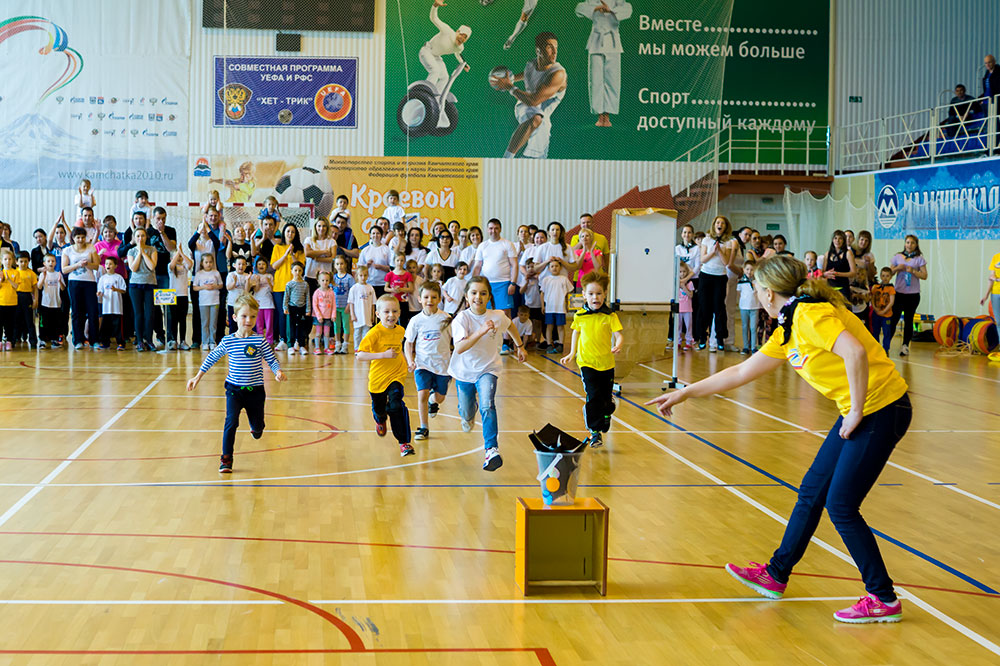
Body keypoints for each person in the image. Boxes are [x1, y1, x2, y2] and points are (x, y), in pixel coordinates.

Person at [648, 254, 912, 625]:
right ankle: (776, 574)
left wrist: (853, 410)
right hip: (864, 410)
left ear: (768, 292)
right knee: (812, 491)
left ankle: (882, 597)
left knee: (841, 505)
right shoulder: (788, 325)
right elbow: (741, 370)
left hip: (881, 409)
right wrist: (685, 393)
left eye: (756, 288)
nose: (754, 293)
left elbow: (853, 352)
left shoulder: (809, 315)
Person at [187, 293, 287, 474]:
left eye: (253, 316)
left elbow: (271, 360)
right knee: (231, 422)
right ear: (234, 317)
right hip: (233, 390)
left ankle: (256, 428)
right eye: (244, 316)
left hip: (256, 391)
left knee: (258, 428)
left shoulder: (259, 340)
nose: (248, 320)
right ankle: (226, 459)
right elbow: (212, 358)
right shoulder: (228, 341)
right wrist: (197, 377)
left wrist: (277, 371)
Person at [448, 277, 527, 471]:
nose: (478, 297)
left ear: (489, 297)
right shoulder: (462, 319)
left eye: (483, 293)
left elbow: (510, 326)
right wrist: (481, 331)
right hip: (464, 371)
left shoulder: (498, 315)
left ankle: (491, 449)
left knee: (488, 405)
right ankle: (468, 412)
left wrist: (520, 346)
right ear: (467, 297)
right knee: (467, 411)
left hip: (488, 369)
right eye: (474, 293)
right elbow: (459, 348)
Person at [560, 272, 623, 447]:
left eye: (599, 293)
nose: (595, 297)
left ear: (604, 294)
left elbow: (619, 335)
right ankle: (595, 433)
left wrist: (618, 344)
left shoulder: (610, 316)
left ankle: (607, 413)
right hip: (586, 362)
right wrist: (572, 353)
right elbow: (576, 333)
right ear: (584, 295)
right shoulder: (580, 316)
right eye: (591, 294)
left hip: (606, 363)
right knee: (593, 396)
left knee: (604, 399)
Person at [357, 295, 415, 457]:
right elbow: (360, 355)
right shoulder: (374, 333)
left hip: (397, 375)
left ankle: (404, 442)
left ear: (399, 313)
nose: (391, 315)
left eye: (395, 311)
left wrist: (409, 361)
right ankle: (380, 419)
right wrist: (383, 355)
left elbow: (400, 350)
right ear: (378, 314)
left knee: (396, 405)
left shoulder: (401, 330)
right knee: (380, 409)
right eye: (387, 311)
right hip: (377, 380)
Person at [494, 32, 567, 159]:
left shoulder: (558, 74)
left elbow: (534, 100)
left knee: (536, 158)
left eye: (556, 47)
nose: (555, 52)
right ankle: (505, 160)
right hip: (525, 106)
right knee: (536, 118)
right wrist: (508, 79)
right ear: (538, 50)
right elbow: (528, 74)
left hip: (537, 109)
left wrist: (509, 86)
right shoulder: (531, 64)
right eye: (550, 47)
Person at [405, 281, 453, 441]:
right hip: (422, 364)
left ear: (439, 299)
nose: (429, 300)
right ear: (419, 299)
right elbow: (408, 342)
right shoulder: (416, 320)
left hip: (443, 365)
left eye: (433, 297)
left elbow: (457, 340)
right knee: (422, 394)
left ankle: (434, 401)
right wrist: (410, 360)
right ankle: (424, 427)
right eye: (426, 297)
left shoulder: (446, 319)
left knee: (440, 397)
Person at [575, 0, 632, 127]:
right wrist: (595, 8)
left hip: (613, 43)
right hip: (596, 41)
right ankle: (600, 116)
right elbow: (578, 8)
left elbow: (629, 10)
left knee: (612, 80)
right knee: (596, 80)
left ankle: (608, 116)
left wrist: (611, 9)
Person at [697, 216, 736, 352]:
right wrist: (712, 252)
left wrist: (719, 251)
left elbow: (727, 263)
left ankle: (720, 338)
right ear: (714, 225)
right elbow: (703, 259)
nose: (720, 225)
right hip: (705, 276)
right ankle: (702, 337)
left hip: (720, 277)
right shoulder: (706, 240)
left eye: (723, 223)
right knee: (704, 307)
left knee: (719, 308)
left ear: (725, 226)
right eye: (718, 222)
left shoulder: (729, 242)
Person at [419, 0, 471, 95]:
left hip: (436, 57)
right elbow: (433, 18)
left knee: (444, 77)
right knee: (435, 71)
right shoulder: (447, 31)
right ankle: (425, 94)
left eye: (465, 38)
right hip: (427, 51)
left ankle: (435, 98)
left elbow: (458, 55)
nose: (462, 39)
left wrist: (464, 64)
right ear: (458, 31)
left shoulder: (460, 47)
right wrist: (435, 6)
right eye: (462, 35)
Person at [888, 234, 927, 357]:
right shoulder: (898, 257)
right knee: (894, 319)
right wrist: (897, 268)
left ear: (916, 245)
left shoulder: (919, 259)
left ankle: (905, 346)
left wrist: (914, 271)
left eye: (912, 243)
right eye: (908, 242)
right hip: (899, 293)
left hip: (913, 295)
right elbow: (888, 274)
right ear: (905, 244)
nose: (910, 245)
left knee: (908, 320)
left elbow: (924, 276)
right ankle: (886, 343)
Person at [473, 218, 519, 319]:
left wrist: (513, 283)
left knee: (505, 315)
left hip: (504, 284)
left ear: (500, 229)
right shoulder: (482, 246)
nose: (493, 231)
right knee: (487, 313)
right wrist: (473, 284)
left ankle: (507, 336)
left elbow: (515, 265)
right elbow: (477, 266)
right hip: (486, 285)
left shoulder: (507, 244)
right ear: (487, 229)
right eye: (491, 228)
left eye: (496, 228)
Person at [62, 227, 99, 350]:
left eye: (82, 237)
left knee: (93, 311)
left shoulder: (91, 248)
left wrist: (87, 264)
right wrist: (78, 265)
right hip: (74, 283)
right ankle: (78, 340)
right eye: (78, 237)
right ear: (73, 238)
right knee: (77, 312)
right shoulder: (67, 250)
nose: (80, 239)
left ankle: (94, 340)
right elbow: (64, 269)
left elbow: (97, 265)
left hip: (90, 282)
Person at [271, 222, 306, 350]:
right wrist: (285, 254)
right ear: (284, 233)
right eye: (288, 231)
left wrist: (292, 254)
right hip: (280, 286)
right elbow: (274, 266)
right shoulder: (277, 248)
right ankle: (283, 340)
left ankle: (295, 341)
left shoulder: (300, 250)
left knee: (294, 314)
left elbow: (301, 266)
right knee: (282, 313)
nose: (290, 234)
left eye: (292, 232)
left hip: (296, 287)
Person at [126, 227, 158, 352]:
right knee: (138, 313)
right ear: (134, 238)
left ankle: (149, 340)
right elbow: (133, 268)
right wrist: (139, 252)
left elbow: (151, 266)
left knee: (149, 314)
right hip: (135, 285)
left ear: (146, 237)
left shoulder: (152, 250)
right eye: (138, 236)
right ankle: (139, 341)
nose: (140, 238)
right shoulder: (131, 251)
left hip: (150, 284)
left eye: (142, 236)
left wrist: (144, 252)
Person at [539, 258, 574, 353]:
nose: (554, 268)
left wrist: (568, 305)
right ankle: (549, 344)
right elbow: (542, 293)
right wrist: (543, 306)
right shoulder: (546, 280)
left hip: (560, 308)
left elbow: (568, 293)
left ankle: (561, 344)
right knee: (549, 326)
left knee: (560, 327)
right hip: (549, 308)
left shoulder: (564, 279)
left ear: (560, 267)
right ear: (549, 268)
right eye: (552, 266)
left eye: (556, 266)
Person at [193, 253, 223, 351]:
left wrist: (215, 286)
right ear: (202, 263)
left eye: (210, 262)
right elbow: (194, 287)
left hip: (214, 301)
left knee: (213, 323)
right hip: (203, 302)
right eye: (206, 262)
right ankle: (205, 342)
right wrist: (204, 287)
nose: (208, 264)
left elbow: (221, 285)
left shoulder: (216, 273)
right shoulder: (199, 274)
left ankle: (212, 341)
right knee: (205, 322)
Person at [97, 256, 127, 350]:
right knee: (105, 326)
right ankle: (105, 342)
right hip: (106, 307)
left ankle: (121, 343)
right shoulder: (102, 278)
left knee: (118, 326)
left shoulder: (119, 277)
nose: (108, 266)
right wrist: (99, 293)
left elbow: (124, 290)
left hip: (117, 307)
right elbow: (100, 291)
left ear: (115, 266)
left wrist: (115, 289)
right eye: (106, 264)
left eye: (110, 264)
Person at [36, 254, 65, 348]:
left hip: (56, 303)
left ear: (56, 263)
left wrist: (60, 281)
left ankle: (54, 339)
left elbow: (63, 288)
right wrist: (43, 278)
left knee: (55, 322)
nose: (51, 263)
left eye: (52, 261)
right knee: (44, 322)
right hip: (45, 303)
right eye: (48, 261)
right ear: (44, 263)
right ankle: (43, 340)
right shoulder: (43, 274)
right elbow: (39, 287)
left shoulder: (58, 274)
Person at [283, 261, 311, 355]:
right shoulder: (289, 284)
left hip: (302, 308)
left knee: (302, 327)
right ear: (291, 271)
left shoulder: (305, 284)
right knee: (291, 327)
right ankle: (290, 346)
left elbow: (307, 297)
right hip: (292, 307)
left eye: (300, 270)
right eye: (295, 270)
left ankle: (301, 345)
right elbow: (286, 296)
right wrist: (285, 307)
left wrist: (308, 309)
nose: (297, 272)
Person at [304, 217, 338, 293]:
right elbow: (307, 253)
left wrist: (316, 258)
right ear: (315, 227)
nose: (321, 228)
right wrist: (325, 252)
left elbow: (332, 259)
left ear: (327, 228)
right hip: (310, 275)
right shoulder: (309, 240)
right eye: (319, 226)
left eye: (324, 226)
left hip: (325, 277)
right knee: (310, 300)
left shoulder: (332, 242)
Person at [358, 225, 393, 298]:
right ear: (370, 235)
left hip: (383, 283)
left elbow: (392, 268)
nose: (375, 235)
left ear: (381, 235)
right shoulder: (365, 250)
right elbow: (359, 268)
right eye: (373, 233)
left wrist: (381, 267)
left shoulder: (386, 249)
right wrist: (366, 266)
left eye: (378, 233)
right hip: (369, 283)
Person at [348, 265, 377, 352]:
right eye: (361, 275)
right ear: (357, 276)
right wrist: (352, 314)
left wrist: (372, 315)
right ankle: (357, 348)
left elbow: (373, 303)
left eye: (365, 275)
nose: (363, 277)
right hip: (358, 315)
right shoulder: (354, 288)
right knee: (357, 333)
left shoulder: (370, 288)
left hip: (367, 315)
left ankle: (365, 348)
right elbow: (351, 303)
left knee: (366, 333)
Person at [168, 247, 193, 350]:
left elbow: (190, 264)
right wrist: (177, 252)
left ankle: (183, 341)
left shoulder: (184, 267)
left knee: (183, 319)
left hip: (183, 296)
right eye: (176, 256)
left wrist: (182, 253)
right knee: (173, 319)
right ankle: (174, 340)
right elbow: (172, 264)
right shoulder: (170, 267)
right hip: (173, 297)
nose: (178, 258)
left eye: (180, 256)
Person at [248, 257, 276, 346]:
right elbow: (255, 290)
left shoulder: (269, 276)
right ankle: (260, 340)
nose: (261, 266)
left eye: (263, 264)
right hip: (258, 304)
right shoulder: (254, 276)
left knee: (269, 325)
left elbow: (272, 290)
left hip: (268, 303)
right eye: (259, 264)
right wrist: (257, 282)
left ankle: (269, 341)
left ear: (266, 266)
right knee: (259, 324)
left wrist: (269, 282)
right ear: (256, 266)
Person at [331, 256, 355, 354]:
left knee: (345, 325)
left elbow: (352, 292)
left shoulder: (349, 278)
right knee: (336, 325)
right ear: (334, 265)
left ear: (345, 265)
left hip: (345, 306)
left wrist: (349, 305)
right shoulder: (333, 278)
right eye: (337, 264)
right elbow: (330, 292)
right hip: (335, 307)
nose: (339, 266)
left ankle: (345, 344)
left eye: (341, 263)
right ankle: (337, 344)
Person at [12, 253, 37, 348]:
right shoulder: (14, 272)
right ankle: (14, 340)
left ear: (28, 262)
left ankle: (33, 341)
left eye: (25, 261)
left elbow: (35, 288)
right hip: (16, 296)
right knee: (16, 319)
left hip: (27, 297)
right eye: (21, 261)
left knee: (29, 320)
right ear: (16, 262)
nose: (23, 263)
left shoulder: (31, 273)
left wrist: (35, 300)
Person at [736, 260, 760, 354]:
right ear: (743, 270)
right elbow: (739, 294)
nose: (749, 272)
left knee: (753, 327)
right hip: (744, 307)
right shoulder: (741, 282)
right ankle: (746, 346)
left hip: (754, 307)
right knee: (745, 327)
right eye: (747, 269)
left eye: (752, 270)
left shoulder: (756, 282)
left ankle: (753, 347)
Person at [311, 270, 337, 355]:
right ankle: (317, 348)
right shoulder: (317, 292)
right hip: (319, 317)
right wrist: (318, 316)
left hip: (328, 317)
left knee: (327, 333)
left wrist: (333, 315)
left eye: (327, 280)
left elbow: (333, 305)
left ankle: (326, 348)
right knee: (318, 333)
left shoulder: (331, 292)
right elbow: (314, 305)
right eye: (323, 280)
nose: (325, 282)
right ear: (318, 281)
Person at [871, 267, 896, 354]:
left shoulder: (891, 288)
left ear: (891, 277)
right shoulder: (875, 287)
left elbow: (891, 302)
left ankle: (885, 349)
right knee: (875, 331)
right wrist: (875, 309)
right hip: (876, 314)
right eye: (883, 276)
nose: (885, 278)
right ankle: (876, 348)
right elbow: (872, 299)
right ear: (880, 276)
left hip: (886, 315)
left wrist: (884, 311)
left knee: (886, 332)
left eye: (887, 276)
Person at [225, 256, 250, 334]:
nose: (241, 266)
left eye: (243, 264)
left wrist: (248, 281)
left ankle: (241, 340)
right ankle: (232, 341)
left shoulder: (247, 276)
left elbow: (246, 291)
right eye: (239, 264)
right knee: (232, 324)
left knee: (242, 323)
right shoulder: (231, 275)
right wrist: (234, 281)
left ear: (246, 265)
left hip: (242, 304)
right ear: (234, 265)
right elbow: (228, 287)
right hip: (232, 304)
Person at [0, 250, 18, 350]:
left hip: (12, 302)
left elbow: (16, 287)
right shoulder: (0, 273)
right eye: (5, 259)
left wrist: (9, 279)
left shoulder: (16, 272)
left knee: (9, 324)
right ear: (2, 261)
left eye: (10, 259)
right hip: (1, 302)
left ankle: (9, 341)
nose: (8, 261)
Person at [980, 247, 1000, 330]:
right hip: (995, 293)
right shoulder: (996, 257)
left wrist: (997, 279)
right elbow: (991, 277)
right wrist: (986, 296)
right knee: (998, 321)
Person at [677, 262, 695, 350]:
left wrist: (683, 286)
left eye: (684, 272)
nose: (682, 274)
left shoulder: (690, 283)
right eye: (680, 271)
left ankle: (689, 342)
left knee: (688, 326)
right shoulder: (675, 284)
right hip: (678, 309)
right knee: (678, 326)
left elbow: (690, 295)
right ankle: (678, 342)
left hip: (688, 309)